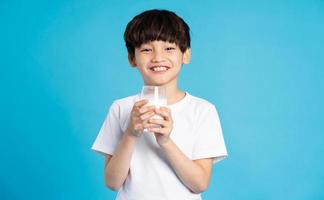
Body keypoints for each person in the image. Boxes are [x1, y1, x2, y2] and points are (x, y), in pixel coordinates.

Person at [92, 9, 228, 200]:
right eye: (146, 49)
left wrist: (165, 141)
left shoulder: (202, 110)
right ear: (132, 58)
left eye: (169, 48)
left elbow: (200, 184)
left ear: (186, 55)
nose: (157, 57)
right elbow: (112, 182)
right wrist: (131, 133)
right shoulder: (121, 108)